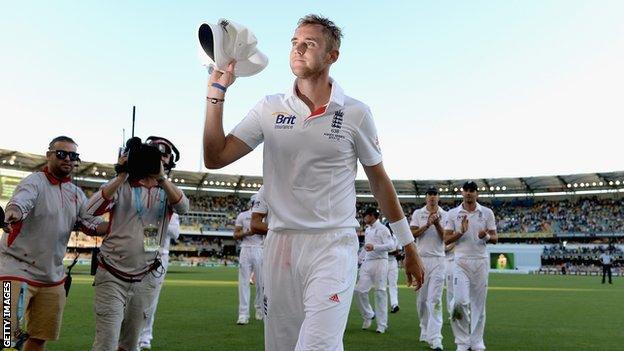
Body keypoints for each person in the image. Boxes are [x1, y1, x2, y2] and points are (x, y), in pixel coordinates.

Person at [202, 14, 424, 350]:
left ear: (332, 56)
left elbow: (380, 182)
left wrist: (408, 246)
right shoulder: (269, 107)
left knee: (317, 345)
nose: (298, 49)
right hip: (279, 245)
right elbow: (214, 157)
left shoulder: (355, 112)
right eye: (294, 42)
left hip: (332, 245)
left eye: (309, 43)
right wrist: (216, 94)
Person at [0, 136, 107, 351]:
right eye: (61, 154)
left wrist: (124, 223)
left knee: (39, 337)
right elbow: (20, 202)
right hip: (15, 269)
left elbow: (92, 224)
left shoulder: (76, 194)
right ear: (49, 155)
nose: (68, 158)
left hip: (52, 277)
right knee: (4, 336)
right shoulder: (34, 181)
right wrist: (12, 213)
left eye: (73, 155)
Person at [86, 137, 189, 351]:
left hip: (145, 276)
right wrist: (121, 175)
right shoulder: (122, 185)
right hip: (112, 274)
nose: (157, 159)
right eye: (152, 154)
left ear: (169, 163)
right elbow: (90, 210)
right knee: (106, 342)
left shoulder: (167, 190)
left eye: (163, 155)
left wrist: (161, 179)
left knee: (130, 344)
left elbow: (183, 208)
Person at [444, 181, 498, 351]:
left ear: (477, 193)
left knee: (478, 304)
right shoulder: (453, 214)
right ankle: (462, 342)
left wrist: (486, 236)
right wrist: (460, 232)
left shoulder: (487, 213)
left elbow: (495, 238)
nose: (469, 193)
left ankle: (476, 341)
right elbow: (446, 239)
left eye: (472, 190)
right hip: (460, 261)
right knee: (459, 302)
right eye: (466, 190)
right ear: (462, 193)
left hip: (480, 261)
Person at [410, 187, 447, 350]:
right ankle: (424, 328)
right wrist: (427, 224)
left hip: (439, 260)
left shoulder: (445, 214)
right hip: (422, 260)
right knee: (422, 300)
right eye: (430, 194)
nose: (432, 197)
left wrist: (437, 223)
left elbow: (446, 237)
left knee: (435, 299)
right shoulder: (418, 213)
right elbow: (412, 234)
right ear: (426, 198)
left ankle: (436, 338)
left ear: (438, 197)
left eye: (435, 194)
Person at [138, 212, 181, 350]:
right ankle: (133, 336)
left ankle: (146, 336)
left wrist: (160, 220)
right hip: (140, 254)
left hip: (161, 256)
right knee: (135, 296)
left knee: (153, 298)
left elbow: (175, 233)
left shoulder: (172, 214)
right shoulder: (146, 208)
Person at [354, 207, 395, 333]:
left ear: (372, 216)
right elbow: (366, 248)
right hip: (368, 262)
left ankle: (382, 325)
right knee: (359, 291)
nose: (364, 218)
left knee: (380, 292)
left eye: (365, 216)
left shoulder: (383, 229)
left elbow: (391, 246)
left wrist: (375, 247)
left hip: (381, 262)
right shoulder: (368, 230)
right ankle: (369, 315)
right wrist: (358, 261)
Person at [234, 196, 265, 325]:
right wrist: (247, 233)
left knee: (260, 283)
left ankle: (259, 309)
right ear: (253, 203)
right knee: (244, 283)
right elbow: (236, 235)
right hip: (245, 249)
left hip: (260, 248)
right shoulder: (243, 215)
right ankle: (243, 314)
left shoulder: (264, 216)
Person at [387, 232, 401, 313]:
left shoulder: (396, 237)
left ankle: (394, 304)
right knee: (381, 286)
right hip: (383, 261)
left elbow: (399, 249)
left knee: (393, 284)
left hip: (393, 262)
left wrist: (398, 254)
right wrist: (393, 252)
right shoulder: (384, 235)